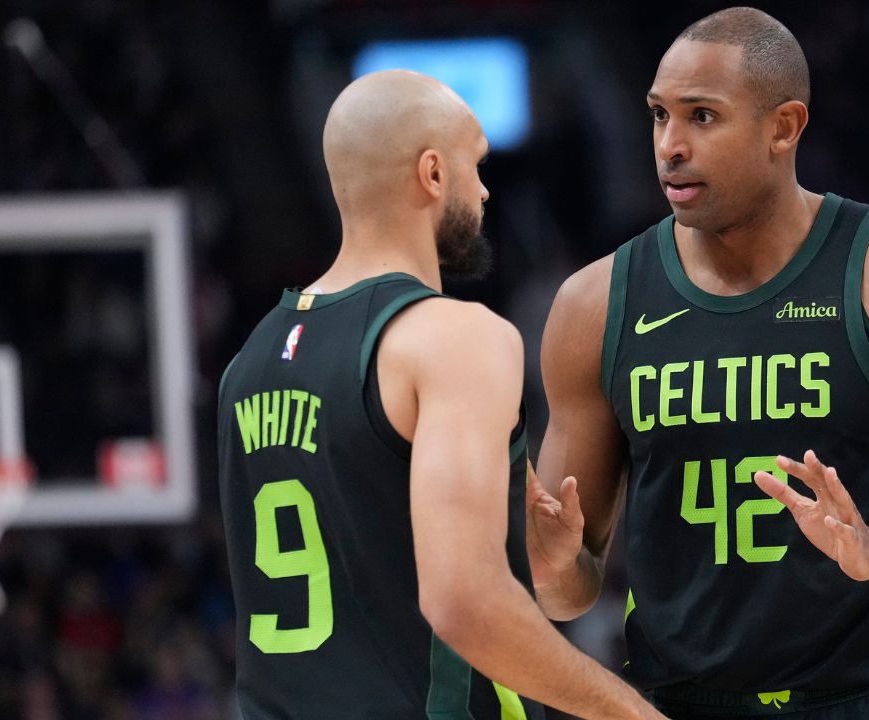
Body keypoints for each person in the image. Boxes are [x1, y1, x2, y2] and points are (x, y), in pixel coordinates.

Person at [527, 8, 869, 719]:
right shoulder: (593, 304)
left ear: (784, 127)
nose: (670, 146)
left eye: (702, 117)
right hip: (682, 705)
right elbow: (567, 589)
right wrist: (553, 557)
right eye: (659, 116)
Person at [218, 70, 663, 720]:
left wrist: (532, 559)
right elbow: (466, 606)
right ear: (432, 173)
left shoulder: (250, 361)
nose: (485, 190)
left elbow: (377, 573)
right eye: (475, 165)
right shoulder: (456, 338)